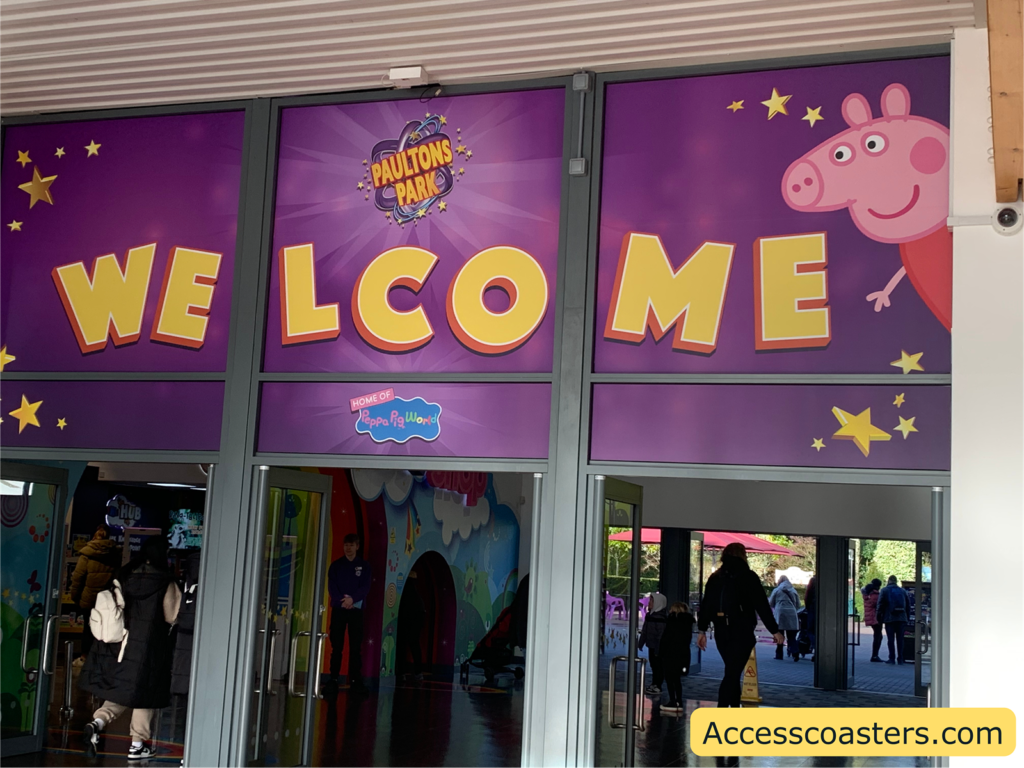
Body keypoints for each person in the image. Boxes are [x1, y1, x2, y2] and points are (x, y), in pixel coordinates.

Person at [81, 537, 181, 761]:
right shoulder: (166, 582)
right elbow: (172, 616)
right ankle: (137, 744)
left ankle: (97, 722)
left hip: (120, 647)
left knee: (122, 690)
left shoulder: (123, 576)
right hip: (150, 649)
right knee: (146, 696)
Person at [697, 543, 784, 707]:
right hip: (742, 631)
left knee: (732, 670)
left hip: (721, 631)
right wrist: (775, 630)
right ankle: (723, 710)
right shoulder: (748, 576)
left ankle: (733, 708)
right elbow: (761, 605)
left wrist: (702, 630)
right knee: (732, 672)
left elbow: (707, 605)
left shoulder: (715, 577)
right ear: (742, 555)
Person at [69, 523, 121, 664]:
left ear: (94, 535)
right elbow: (117, 578)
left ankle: (85, 657)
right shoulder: (115, 553)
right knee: (106, 628)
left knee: (88, 628)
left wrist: (76, 597)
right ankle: (101, 659)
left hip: (89, 599)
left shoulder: (86, 553)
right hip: (107, 599)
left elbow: (78, 577)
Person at [327, 533, 372, 692]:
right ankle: (333, 679)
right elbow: (332, 586)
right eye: (346, 545)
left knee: (355, 647)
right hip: (339, 610)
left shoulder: (364, 566)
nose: (348, 548)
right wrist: (343, 600)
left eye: (352, 545)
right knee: (336, 646)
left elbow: (365, 587)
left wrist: (352, 600)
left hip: (356, 610)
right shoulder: (336, 565)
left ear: (357, 547)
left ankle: (355, 680)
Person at [659, 602, 696, 713]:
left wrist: (661, 653)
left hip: (671, 654)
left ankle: (672, 701)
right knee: (677, 679)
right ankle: (678, 701)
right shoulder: (687, 623)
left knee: (670, 678)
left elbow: (666, 638)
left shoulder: (672, 621)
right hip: (683, 654)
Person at [638, 592, 668, 695]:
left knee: (658, 666)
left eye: (651, 600)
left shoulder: (660, 618)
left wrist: (658, 649)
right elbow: (645, 631)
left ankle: (657, 685)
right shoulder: (650, 615)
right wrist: (640, 643)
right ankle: (654, 684)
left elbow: (661, 635)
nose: (649, 602)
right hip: (652, 645)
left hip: (658, 647)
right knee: (653, 665)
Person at [877, 575, 910, 665]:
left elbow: (879, 605)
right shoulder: (902, 591)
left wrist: (878, 617)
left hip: (889, 618)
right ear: (896, 581)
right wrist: (907, 617)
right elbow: (908, 605)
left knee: (890, 639)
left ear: (888, 581)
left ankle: (891, 658)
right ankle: (900, 658)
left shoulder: (884, 590)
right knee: (900, 639)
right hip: (902, 618)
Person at [768, 575, 802, 661]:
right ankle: (795, 652)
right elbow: (798, 604)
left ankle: (779, 655)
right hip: (791, 613)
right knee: (791, 636)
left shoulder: (777, 590)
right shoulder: (793, 590)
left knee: (780, 635)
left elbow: (771, 603)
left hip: (780, 614)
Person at [861, 578, 884, 662]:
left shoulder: (868, 593)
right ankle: (874, 655)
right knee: (878, 636)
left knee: (878, 635)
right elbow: (877, 604)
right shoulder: (874, 594)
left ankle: (875, 655)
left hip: (871, 616)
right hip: (875, 617)